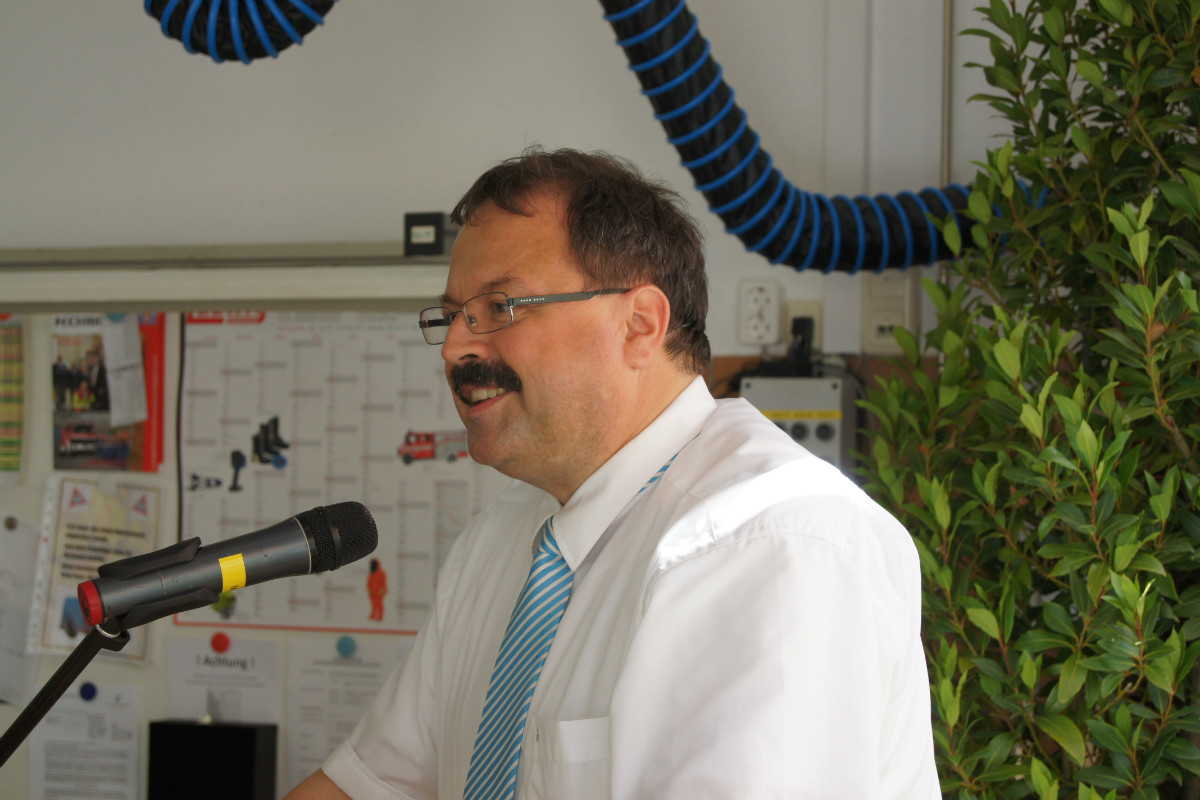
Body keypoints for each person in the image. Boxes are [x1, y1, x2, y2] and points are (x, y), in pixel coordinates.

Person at [285, 147, 940, 799]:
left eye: (501, 307)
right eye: (453, 316)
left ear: (639, 325)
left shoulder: (773, 543)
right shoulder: (499, 539)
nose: (456, 347)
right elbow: (373, 784)